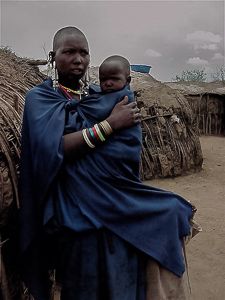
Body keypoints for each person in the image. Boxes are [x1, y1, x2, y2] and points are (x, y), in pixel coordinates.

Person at [19, 26, 195, 300]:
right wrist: (110, 124)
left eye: (84, 53)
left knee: (167, 212)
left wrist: (116, 127)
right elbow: (51, 149)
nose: (78, 59)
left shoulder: (101, 96)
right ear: (53, 57)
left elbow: (126, 148)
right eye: (70, 52)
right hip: (73, 208)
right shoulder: (39, 99)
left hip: (113, 197)